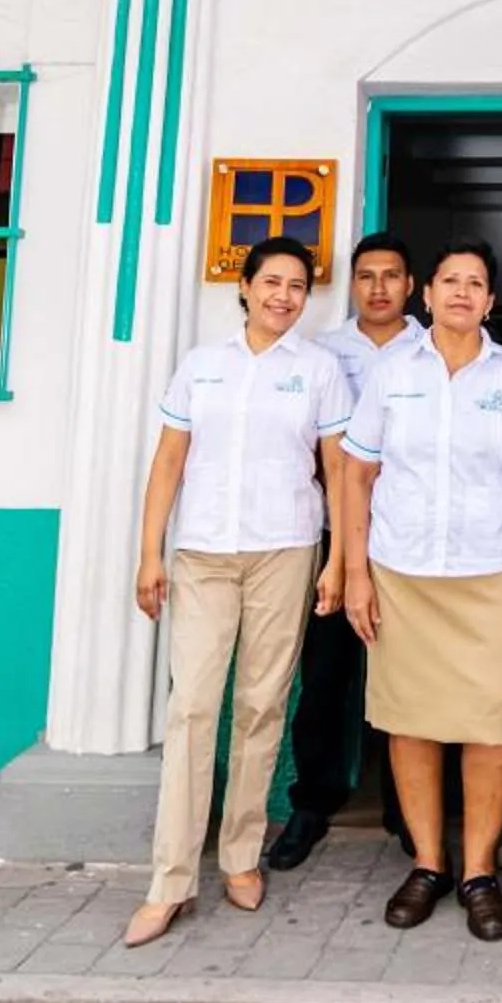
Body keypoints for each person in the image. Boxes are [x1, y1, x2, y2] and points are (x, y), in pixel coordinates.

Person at [121, 237, 353, 947]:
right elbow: (169, 460)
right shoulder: (203, 366)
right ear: (245, 287)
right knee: (193, 706)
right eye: (272, 282)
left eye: (298, 287)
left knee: (260, 705)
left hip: (285, 549)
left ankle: (242, 855)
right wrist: (148, 553)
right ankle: (170, 879)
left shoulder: (319, 370)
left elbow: (339, 471)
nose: (285, 296)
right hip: (202, 555)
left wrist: (339, 560)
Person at [341, 241, 502, 942]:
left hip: (491, 573)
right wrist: (353, 571)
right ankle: (428, 863)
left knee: (492, 723)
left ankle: (478, 871)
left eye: (476, 283)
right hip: (403, 572)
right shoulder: (390, 373)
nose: (462, 292)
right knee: (409, 720)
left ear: (490, 302)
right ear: (427, 296)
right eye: (450, 281)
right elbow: (357, 475)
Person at [266, 232, 423, 871]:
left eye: (391, 275)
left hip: (410, 534)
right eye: (366, 276)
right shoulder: (321, 353)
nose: (379, 287)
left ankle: (406, 808)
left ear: (411, 286)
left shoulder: (434, 349)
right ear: (352, 284)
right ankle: (315, 801)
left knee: (408, 675)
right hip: (335, 532)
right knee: (328, 672)